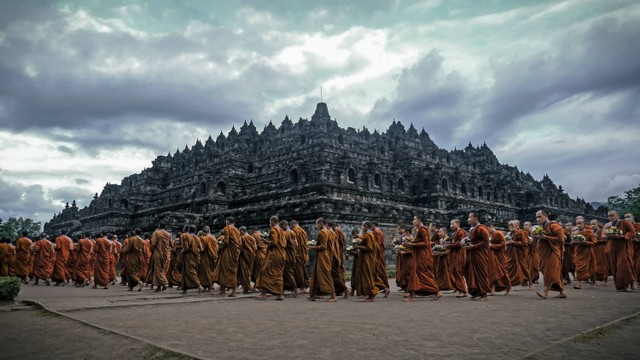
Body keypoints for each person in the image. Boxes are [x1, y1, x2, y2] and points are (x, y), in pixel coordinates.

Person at [403, 216, 441, 302]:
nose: (413, 221)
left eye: (414, 219)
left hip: (422, 255)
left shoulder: (423, 230)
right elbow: (419, 241)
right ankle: (413, 295)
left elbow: (425, 243)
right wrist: (409, 243)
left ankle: (436, 291)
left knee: (421, 273)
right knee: (416, 273)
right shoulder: (420, 229)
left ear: (419, 220)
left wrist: (411, 244)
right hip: (419, 254)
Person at [533, 210, 567, 299]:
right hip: (544, 254)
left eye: (539, 217)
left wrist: (546, 237)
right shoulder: (541, 227)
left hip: (553, 252)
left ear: (545, 216)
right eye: (536, 217)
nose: (537, 219)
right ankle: (562, 292)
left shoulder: (554, 226)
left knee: (551, 271)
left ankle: (545, 291)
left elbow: (561, 240)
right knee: (551, 271)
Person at [602, 211, 636, 292]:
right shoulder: (607, 225)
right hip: (612, 248)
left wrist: (623, 236)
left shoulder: (625, 223)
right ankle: (620, 286)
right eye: (609, 216)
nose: (611, 217)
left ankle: (631, 281)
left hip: (623, 247)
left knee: (624, 265)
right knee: (615, 267)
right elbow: (602, 236)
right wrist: (608, 235)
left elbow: (632, 233)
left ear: (617, 215)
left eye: (612, 215)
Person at [256, 216, 287, 300]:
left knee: (265, 272)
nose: (269, 224)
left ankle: (263, 292)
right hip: (281, 254)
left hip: (274, 255)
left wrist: (265, 241)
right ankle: (280, 294)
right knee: (277, 274)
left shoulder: (274, 230)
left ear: (273, 221)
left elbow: (273, 242)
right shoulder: (281, 230)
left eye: (270, 222)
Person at [308, 218, 336, 302]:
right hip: (325, 255)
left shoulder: (323, 233)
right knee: (317, 274)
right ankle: (314, 294)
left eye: (317, 224)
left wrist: (313, 247)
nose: (316, 226)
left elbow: (323, 246)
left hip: (323, 256)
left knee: (325, 274)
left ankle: (333, 295)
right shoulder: (330, 232)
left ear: (321, 223)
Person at [464, 213, 491, 301]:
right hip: (473, 254)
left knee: (481, 273)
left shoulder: (481, 228)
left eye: (470, 217)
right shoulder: (472, 229)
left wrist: (473, 246)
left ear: (476, 218)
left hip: (480, 254)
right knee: (472, 273)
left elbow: (485, 242)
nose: (468, 219)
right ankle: (477, 292)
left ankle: (485, 294)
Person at [353, 221, 381, 302]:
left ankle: (372, 294)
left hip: (367, 258)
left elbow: (369, 247)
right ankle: (369, 294)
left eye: (362, 226)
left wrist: (358, 246)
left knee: (367, 276)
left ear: (365, 226)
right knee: (366, 275)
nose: (361, 228)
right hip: (366, 257)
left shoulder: (369, 234)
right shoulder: (369, 234)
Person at [213, 218, 241, 297]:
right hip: (235, 253)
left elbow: (226, 241)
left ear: (227, 222)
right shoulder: (237, 230)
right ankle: (234, 291)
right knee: (233, 271)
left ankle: (223, 291)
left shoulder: (227, 228)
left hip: (228, 252)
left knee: (223, 270)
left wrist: (221, 246)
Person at [572, 216, 596, 289]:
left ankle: (593, 282)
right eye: (577, 223)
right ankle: (579, 282)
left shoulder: (588, 232)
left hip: (587, 252)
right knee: (578, 267)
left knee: (590, 267)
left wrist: (585, 242)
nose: (579, 225)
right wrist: (573, 242)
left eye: (580, 223)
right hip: (578, 252)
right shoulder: (574, 232)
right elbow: (572, 242)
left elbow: (594, 242)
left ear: (583, 224)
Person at [506, 220, 531, 289]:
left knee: (523, 267)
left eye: (512, 225)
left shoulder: (521, 233)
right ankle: (509, 284)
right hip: (511, 253)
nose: (511, 227)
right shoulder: (509, 234)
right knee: (508, 267)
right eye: (509, 226)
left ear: (517, 226)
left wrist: (513, 242)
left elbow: (525, 243)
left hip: (519, 253)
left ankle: (530, 283)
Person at [487, 224, 511, 296]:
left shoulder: (498, 233)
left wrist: (492, 246)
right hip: (491, 256)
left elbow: (503, 245)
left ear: (491, 227)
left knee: (501, 272)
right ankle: (492, 289)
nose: (487, 231)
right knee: (492, 272)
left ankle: (509, 287)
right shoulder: (490, 235)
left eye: (487, 228)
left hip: (498, 256)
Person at [446, 219, 468, 298]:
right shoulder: (455, 233)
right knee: (454, 271)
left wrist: (450, 245)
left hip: (459, 253)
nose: (450, 226)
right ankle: (461, 290)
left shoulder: (461, 232)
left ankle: (462, 291)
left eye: (452, 224)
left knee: (457, 271)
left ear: (457, 224)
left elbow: (461, 243)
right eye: (450, 224)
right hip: (454, 253)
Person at [148, 223, 172, 292]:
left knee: (158, 270)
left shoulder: (156, 233)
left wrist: (152, 250)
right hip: (166, 254)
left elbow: (153, 244)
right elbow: (172, 244)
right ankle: (159, 287)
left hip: (158, 253)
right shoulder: (169, 234)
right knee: (161, 270)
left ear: (159, 226)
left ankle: (164, 283)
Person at [180, 225, 204, 294]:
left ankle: (199, 286)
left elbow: (186, 248)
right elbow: (201, 248)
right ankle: (184, 289)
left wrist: (182, 251)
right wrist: (195, 251)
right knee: (186, 271)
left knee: (190, 271)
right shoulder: (197, 238)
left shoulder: (187, 236)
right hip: (195, 257)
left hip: (189, 256)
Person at [329, 221, 349, 298]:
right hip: (337, 253)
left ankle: (343, 289)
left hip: (336, 254)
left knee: (336, 273)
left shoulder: (336, 231)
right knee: (337, 272)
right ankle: (339, 290)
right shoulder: (337, 231)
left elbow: (336, 243)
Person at [372, 222, 390, 297]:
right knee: (379, 270)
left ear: (373, 225)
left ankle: (383, 287)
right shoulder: (378, 231)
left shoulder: (377, 232)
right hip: (379, 253)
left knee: (378, 271)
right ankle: (383, 287)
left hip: (378, 254)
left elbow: (378, 243)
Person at [291, 220, 309, 292]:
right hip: (303, 253)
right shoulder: (303, 231)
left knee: (298, 270)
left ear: (293, 224)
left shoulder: (294, 231)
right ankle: (305, 284)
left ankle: (302, 286)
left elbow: (294, 243)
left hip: (297, 253)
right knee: (302, 269)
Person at [590, 219, 609, 285]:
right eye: (591, 224)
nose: (592, 226)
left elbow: (605, 240)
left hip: (601, 249)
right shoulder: (590, 232)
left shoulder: (601, 231)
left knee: (603, 264)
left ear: (597, 224)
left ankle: (605, 280)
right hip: (593, 249)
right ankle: (594, 281)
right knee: (593, 264)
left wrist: (597, 240)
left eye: (593, 224)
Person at [623, 213, 640, 287]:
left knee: (638, 266)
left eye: (629, 217)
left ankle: (637, 281)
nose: (627, 218)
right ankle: (630, 281)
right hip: (628, 248)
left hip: (638, 248)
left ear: (633, 217)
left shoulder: (638, 225)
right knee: (628, 265)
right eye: (625, 217)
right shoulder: (624, 226)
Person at [238, 226, 256, 294]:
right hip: (251, 257)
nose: (239, 233)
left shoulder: (242, 238)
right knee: (248, 272)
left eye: (240, 231)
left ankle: (247, 288)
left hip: (244, 257)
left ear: (242, 231)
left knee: (244, 272)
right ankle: (247, 287)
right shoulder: (252, 238)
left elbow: (240, 248)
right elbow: (255, 248)